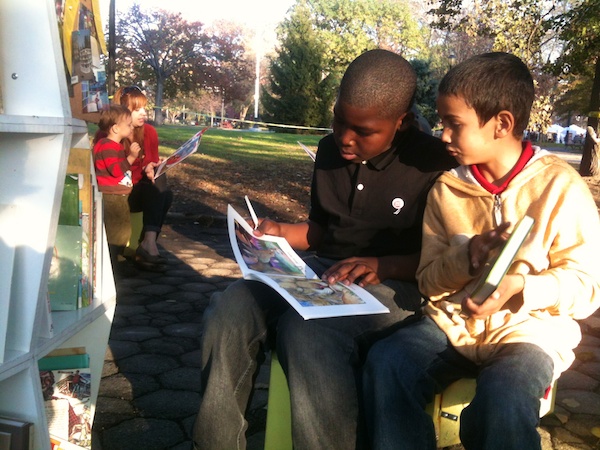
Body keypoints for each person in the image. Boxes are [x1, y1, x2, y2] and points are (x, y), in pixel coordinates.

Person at [192, 49, 457, 450]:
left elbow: (445, 261)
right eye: (338, 121)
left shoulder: (433, 164)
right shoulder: (331, 151)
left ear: (400, 123)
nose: (345, 138)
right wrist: (278, 232)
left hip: (394, 284)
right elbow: (323, 232)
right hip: (322, 272)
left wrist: (382, 264)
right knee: (230, 307)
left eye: (363, 131)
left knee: (310, 333)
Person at [362, 52, 600, 450]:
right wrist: (465, 257)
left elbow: (587, 286)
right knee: (386, 363)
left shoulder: (561, 188)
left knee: (503, 402)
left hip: (530, 333)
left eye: (454, 125)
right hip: (451, 328)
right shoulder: (446, 189)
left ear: (502, 124)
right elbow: (429, 281)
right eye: (442, 124)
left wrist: (523, 287)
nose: (442, 135)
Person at [113, 85, 174, 271]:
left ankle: (148, 243)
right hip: (119, 193)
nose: (143, 113)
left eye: (144, 108)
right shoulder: (111, 133)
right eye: (136, 109)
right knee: (160, 192)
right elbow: (111, 171)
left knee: (162, 184)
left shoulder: (149, 132)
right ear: (123, 111)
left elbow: (150, 163)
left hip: (141, 191)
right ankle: (145, 248)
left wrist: (151, 168)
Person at [93, 104, 141, 268]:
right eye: (128, 125)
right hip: (112, 195)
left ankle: (115, 257)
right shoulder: (108, 146)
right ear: (115, 128)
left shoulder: (112, 145)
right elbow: (115, 170)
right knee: (119, 229)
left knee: (121, 228)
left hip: (118, 194)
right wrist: (132, 157)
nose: (131, 127)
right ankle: (113, 260)